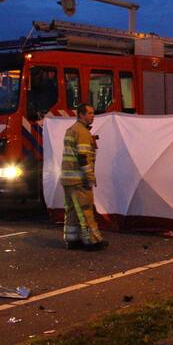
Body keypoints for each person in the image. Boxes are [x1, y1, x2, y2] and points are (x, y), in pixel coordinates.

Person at [61, 103, 107, 250]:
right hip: (79, 179)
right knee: (85, 210)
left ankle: (72, 239)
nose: (93, 116)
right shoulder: (82, 132)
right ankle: (92, 240)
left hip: (67, 179)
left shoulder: (71, 130)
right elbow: (83, 157)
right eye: (90, 113)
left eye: (93, 113)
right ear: (81, 115)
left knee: (72, 210)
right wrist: (89, 177)